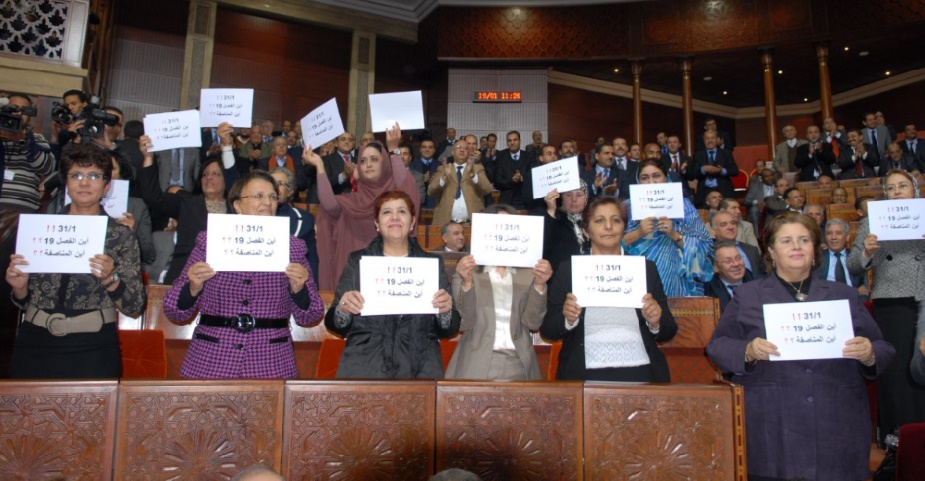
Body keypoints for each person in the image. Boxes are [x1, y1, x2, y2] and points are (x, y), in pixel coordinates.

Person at [707, 212, 893, 481]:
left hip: (836, 420)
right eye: (786, 241)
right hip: (774, 422)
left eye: (804, 239)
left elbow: (883, 347)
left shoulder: (844, 295)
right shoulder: (748, 296)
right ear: (771, 251)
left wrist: (869, 353)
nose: (796, 246)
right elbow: (718, 346)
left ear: (815, 249)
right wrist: (747, 351)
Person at [162, 171, 323, 378]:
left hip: (270, 361)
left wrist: (299, 290)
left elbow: (311, 315)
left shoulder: (293, 248)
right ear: (237, 205)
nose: (267, 202)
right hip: (212, 359)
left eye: (272, 197)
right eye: (258, 196)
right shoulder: (211, 241)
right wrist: (192, 288)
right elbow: (175, 310)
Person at [5, 143, 145, 378]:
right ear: (66, 183)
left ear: (106, 186)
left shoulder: (121, 236)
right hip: (35, 340)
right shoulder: (39, 229)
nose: (84, 182)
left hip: (94, 346)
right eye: (76, 175)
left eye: (94, 176)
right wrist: (20, 289)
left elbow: (135, 307)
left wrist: (111, 279)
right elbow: (24, 301)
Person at [324, 190, 460, 378]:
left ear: (412, 222)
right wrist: (343, 309)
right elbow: (335, 324)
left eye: (402, 212)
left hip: (421, 369)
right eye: (387, 212)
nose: (395, 217)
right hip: (364, 366)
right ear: (376, 223)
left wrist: (445, 311)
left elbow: (449, 329)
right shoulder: (357, 261)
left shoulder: (432, 264)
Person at [541, 196, 676, 381]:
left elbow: (668, 331)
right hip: (583, 371)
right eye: (599, 221)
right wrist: (567, 319)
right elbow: (548, 330)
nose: (608, 227)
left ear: (623, 228)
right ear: (586, 231)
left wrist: (656, 321)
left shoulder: (645, 269)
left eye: (616, 220)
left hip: (641, 368)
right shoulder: (568, 270)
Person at [848, 169, 925, 443]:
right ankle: (897, 435)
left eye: (902, 186)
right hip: (890, 300)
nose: (897, 192)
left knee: (921, 363)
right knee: (896, 371)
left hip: (923, 297)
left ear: (914, 190)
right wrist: (867, 251)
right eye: (891, 188)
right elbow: (853, 264)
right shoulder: (872, 221)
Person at [304, 124, 420, 290]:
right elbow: (329, 205)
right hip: (352, 279)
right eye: (363, 161)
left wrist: (393, 151)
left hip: (389, 279)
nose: (368, 164)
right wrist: (319, 165)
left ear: (385, 163)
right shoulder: (351, 200)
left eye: (374, 159)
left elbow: (409, 190)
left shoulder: (396, 198)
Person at [445, 204, 552, 380]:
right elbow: (465, 322)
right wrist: (467, 283)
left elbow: (533, 323)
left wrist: (539, 285)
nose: (503, 233)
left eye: (509, 226)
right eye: (497, 226)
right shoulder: (467, 272)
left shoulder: (529, 274)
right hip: (475, 362)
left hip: (519, 363)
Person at [138, 122, 239, 284]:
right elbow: (152, 197)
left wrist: (226, 146)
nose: (209, 178)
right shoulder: (187, 202)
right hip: (184, 276)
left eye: (215, 174)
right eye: (205, 174)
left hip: (223, 280)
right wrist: (148, 157)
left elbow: (234, 178)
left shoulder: (236, 208)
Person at [624, 160, 714, 296]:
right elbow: (611, 245)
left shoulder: (685, 207)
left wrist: (674, 235)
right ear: (638, 181)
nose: (651, 182)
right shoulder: (627, 208)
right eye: (644, 178)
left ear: (666, 178)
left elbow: (705, 246)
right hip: (636, 278)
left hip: (677, 278)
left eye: (656, 176)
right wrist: (638, 233)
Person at [269, 167, 319, 284]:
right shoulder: (253, 217)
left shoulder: (304, 220)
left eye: (280, 184)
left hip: (292, 282)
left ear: (290, 191)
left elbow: (312, 262)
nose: (274, 188)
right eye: (271, 183)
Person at [428, 140, 493, 225]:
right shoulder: (443, 169)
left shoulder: (477, 168)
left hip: (471, 224)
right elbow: (431, 191)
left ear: (468, 152)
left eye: (465, 148)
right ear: (453, 152)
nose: (462, 150)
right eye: (459, 148)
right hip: (446, 224)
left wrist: (473, 175)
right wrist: (443, 178)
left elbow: (488, 189)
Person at [542, 181, 589, 273]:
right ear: (561, 198)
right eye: (568, 195)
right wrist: (551, 210)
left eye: (579, 195)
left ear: (586, 198)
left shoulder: (593, 219)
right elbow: (544, 243)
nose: (574, 199)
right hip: (562, 274)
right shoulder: (554, 218)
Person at [704, 239, 755, 311]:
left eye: (738, 258)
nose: (736, 264)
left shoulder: (758, 283)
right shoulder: (707, 289)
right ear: (716, 267)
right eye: (728, 261)